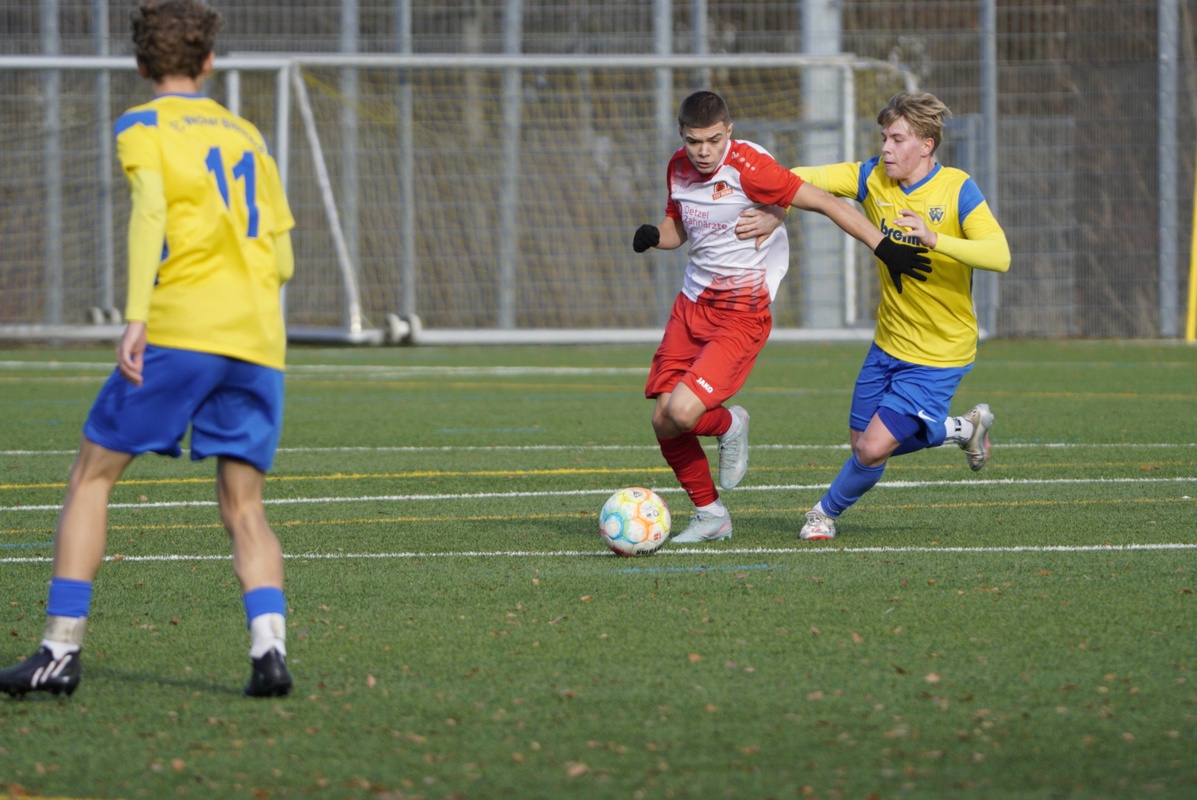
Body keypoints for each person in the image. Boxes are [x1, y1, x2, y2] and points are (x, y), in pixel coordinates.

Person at [0, 0, 296, 698]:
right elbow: (282, 256)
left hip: (182, 330)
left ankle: (59, 651)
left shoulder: (142, 125)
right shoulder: (247, 134)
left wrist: (137, 315)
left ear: (140, 65)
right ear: (209, 62)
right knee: (244, 506)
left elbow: (151, 213)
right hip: (258, 337)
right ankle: (270, 652)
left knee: (91, 476)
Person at [633, 90, 930, 544]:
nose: (704, 151)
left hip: (740, 314)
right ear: (682, 136)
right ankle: (711, 514)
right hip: (690, 306)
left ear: (729, 132)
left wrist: (884, 247)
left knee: (684, 412)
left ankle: (732, 423)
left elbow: (828, 202)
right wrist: (656, 235)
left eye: (713, 140)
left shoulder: (751, 167)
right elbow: (680, 228)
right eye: (694, 142)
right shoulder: (677, 166)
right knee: (663, 420)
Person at [738, 90, 1011, 541]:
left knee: (870, 449)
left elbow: (999, 255)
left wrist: (935, 239)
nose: (886, 148)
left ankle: (822, 515)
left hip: (940, 353)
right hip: (887, 343)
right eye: (884, 137)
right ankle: (962, 428)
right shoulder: (871, 177)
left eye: (897, 139)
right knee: (861, 444)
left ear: (926, 145)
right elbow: (796, 178)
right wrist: (776, 209)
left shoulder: (957, 188)